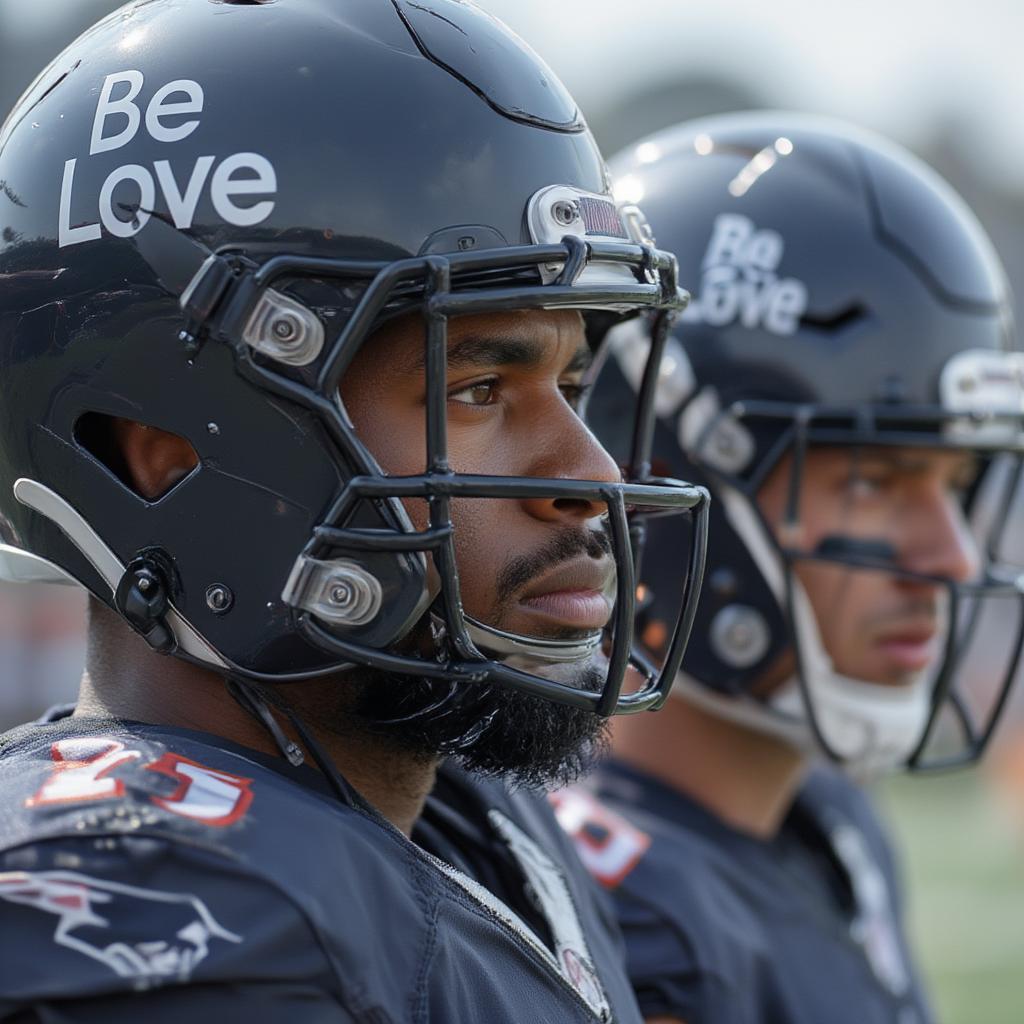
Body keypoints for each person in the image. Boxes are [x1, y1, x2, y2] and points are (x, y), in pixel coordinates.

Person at [0, 2, 709, 1020]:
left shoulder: (459, 815)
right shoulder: (171, 919)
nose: (587, 470)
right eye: (476, 387)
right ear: (162, 456)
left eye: (574, 382)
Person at [553, 112, 1024, 1024]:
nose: (951, 552)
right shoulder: (637, 932)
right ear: (665, 475)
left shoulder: (827, 816)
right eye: (876, 482)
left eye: (954, 482)